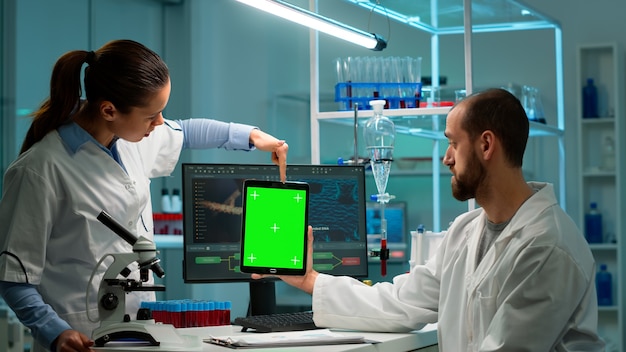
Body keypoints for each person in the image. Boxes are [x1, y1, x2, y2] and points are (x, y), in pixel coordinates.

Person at [261, 88, 605, 351]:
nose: (446, 159)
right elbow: (401, 302)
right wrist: (311, 280)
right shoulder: (466, 231)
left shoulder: (547, 247)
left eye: (453, 143)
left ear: (486, 145)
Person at [0, 39, 288, 352]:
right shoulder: (39, 170)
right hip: (81, 335)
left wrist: (253, 136)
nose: (160, 123)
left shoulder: (129, 136)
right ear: (109, 109)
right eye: (152, 115)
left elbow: (188, 131)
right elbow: (14, 278)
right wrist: (54, 331)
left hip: (137, 327)